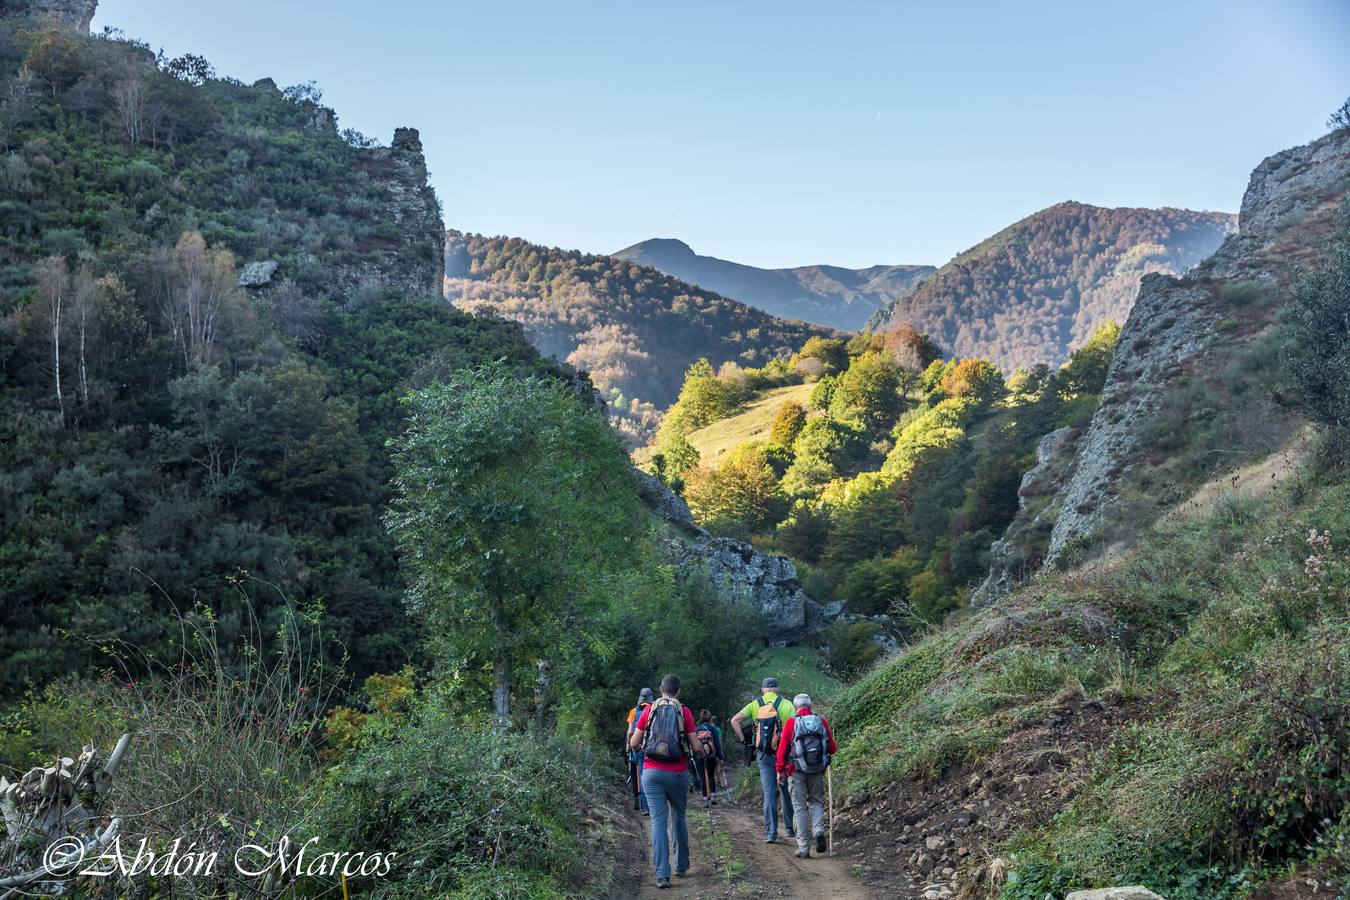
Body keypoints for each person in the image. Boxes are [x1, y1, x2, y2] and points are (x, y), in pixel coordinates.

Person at [630, 673, 705, 889]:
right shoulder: (685, 711)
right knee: (678, 817)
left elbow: (635, 743)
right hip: (678, 772)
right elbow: (696, 747)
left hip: (652, 774)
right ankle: (681, 866)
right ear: (678, 691)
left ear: (660, 689)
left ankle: (663, 874)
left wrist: (641, 749)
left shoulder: (648, 710)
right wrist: (702, 754)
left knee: (658, 821)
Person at [730, 676, 797, 843]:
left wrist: (744, 740)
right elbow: (795, 726)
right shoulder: (786, 704)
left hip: (763, 754)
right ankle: (790, 829)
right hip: (784, 753)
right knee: (786, 791)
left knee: (768, 793)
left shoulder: (755, 704)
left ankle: (770, 833)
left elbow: (734, 720)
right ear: (777, 689)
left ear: (763, 690)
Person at [776, 693, 838, 859]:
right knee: (816, 801)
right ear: (810, 706)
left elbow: (782, 749)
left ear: (796, 708)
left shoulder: (791, 722)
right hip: (817, 769)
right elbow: (832, 748)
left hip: (796, 771)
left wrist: (779, 770)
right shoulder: (820, 721)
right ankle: (818, 831)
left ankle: (803, 847)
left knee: (799, 807)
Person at [625, 687, 654, 814]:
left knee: (641, 776)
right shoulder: (654, 709)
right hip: (653, 747)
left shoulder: (633, 711)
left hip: (638, 748)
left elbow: (630, 731)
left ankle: (645, 806)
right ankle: (655, 805)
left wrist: (628, 744)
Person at [694, 709, 724, 806]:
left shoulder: (697, 729)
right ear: (710, 718)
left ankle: (705, 798)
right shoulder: (713, 729)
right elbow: (717, 743)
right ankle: (713, 796)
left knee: (703, 776)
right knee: (711, 775)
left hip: (700, 756)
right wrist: (720, 755)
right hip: (712, 755)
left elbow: (694, 743)